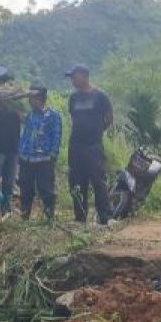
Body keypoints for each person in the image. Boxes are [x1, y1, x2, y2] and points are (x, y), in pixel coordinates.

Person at [66, 64, 114, 225]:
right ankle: (80, 217)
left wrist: (96, 132)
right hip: (76, 146)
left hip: (93, 146)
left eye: (74, 77)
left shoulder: (101, 96)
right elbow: (73, 119)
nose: (72, 80)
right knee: (77, 182)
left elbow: (109, 119)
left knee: (98, 181)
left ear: (84, 76)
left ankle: (104, 218)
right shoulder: (73, 98)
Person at [18, 84, 62, 221]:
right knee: (25, 189)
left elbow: (57, 136)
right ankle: (24, 217)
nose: (30, 101)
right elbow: (25, 134)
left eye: (33, 98)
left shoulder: (53, 115)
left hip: (45, 159)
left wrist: (53, 155)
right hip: (27, 158)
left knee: (46, 189)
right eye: (30, 98)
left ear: (40, 98)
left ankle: (49, 218)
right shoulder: (30, 115)